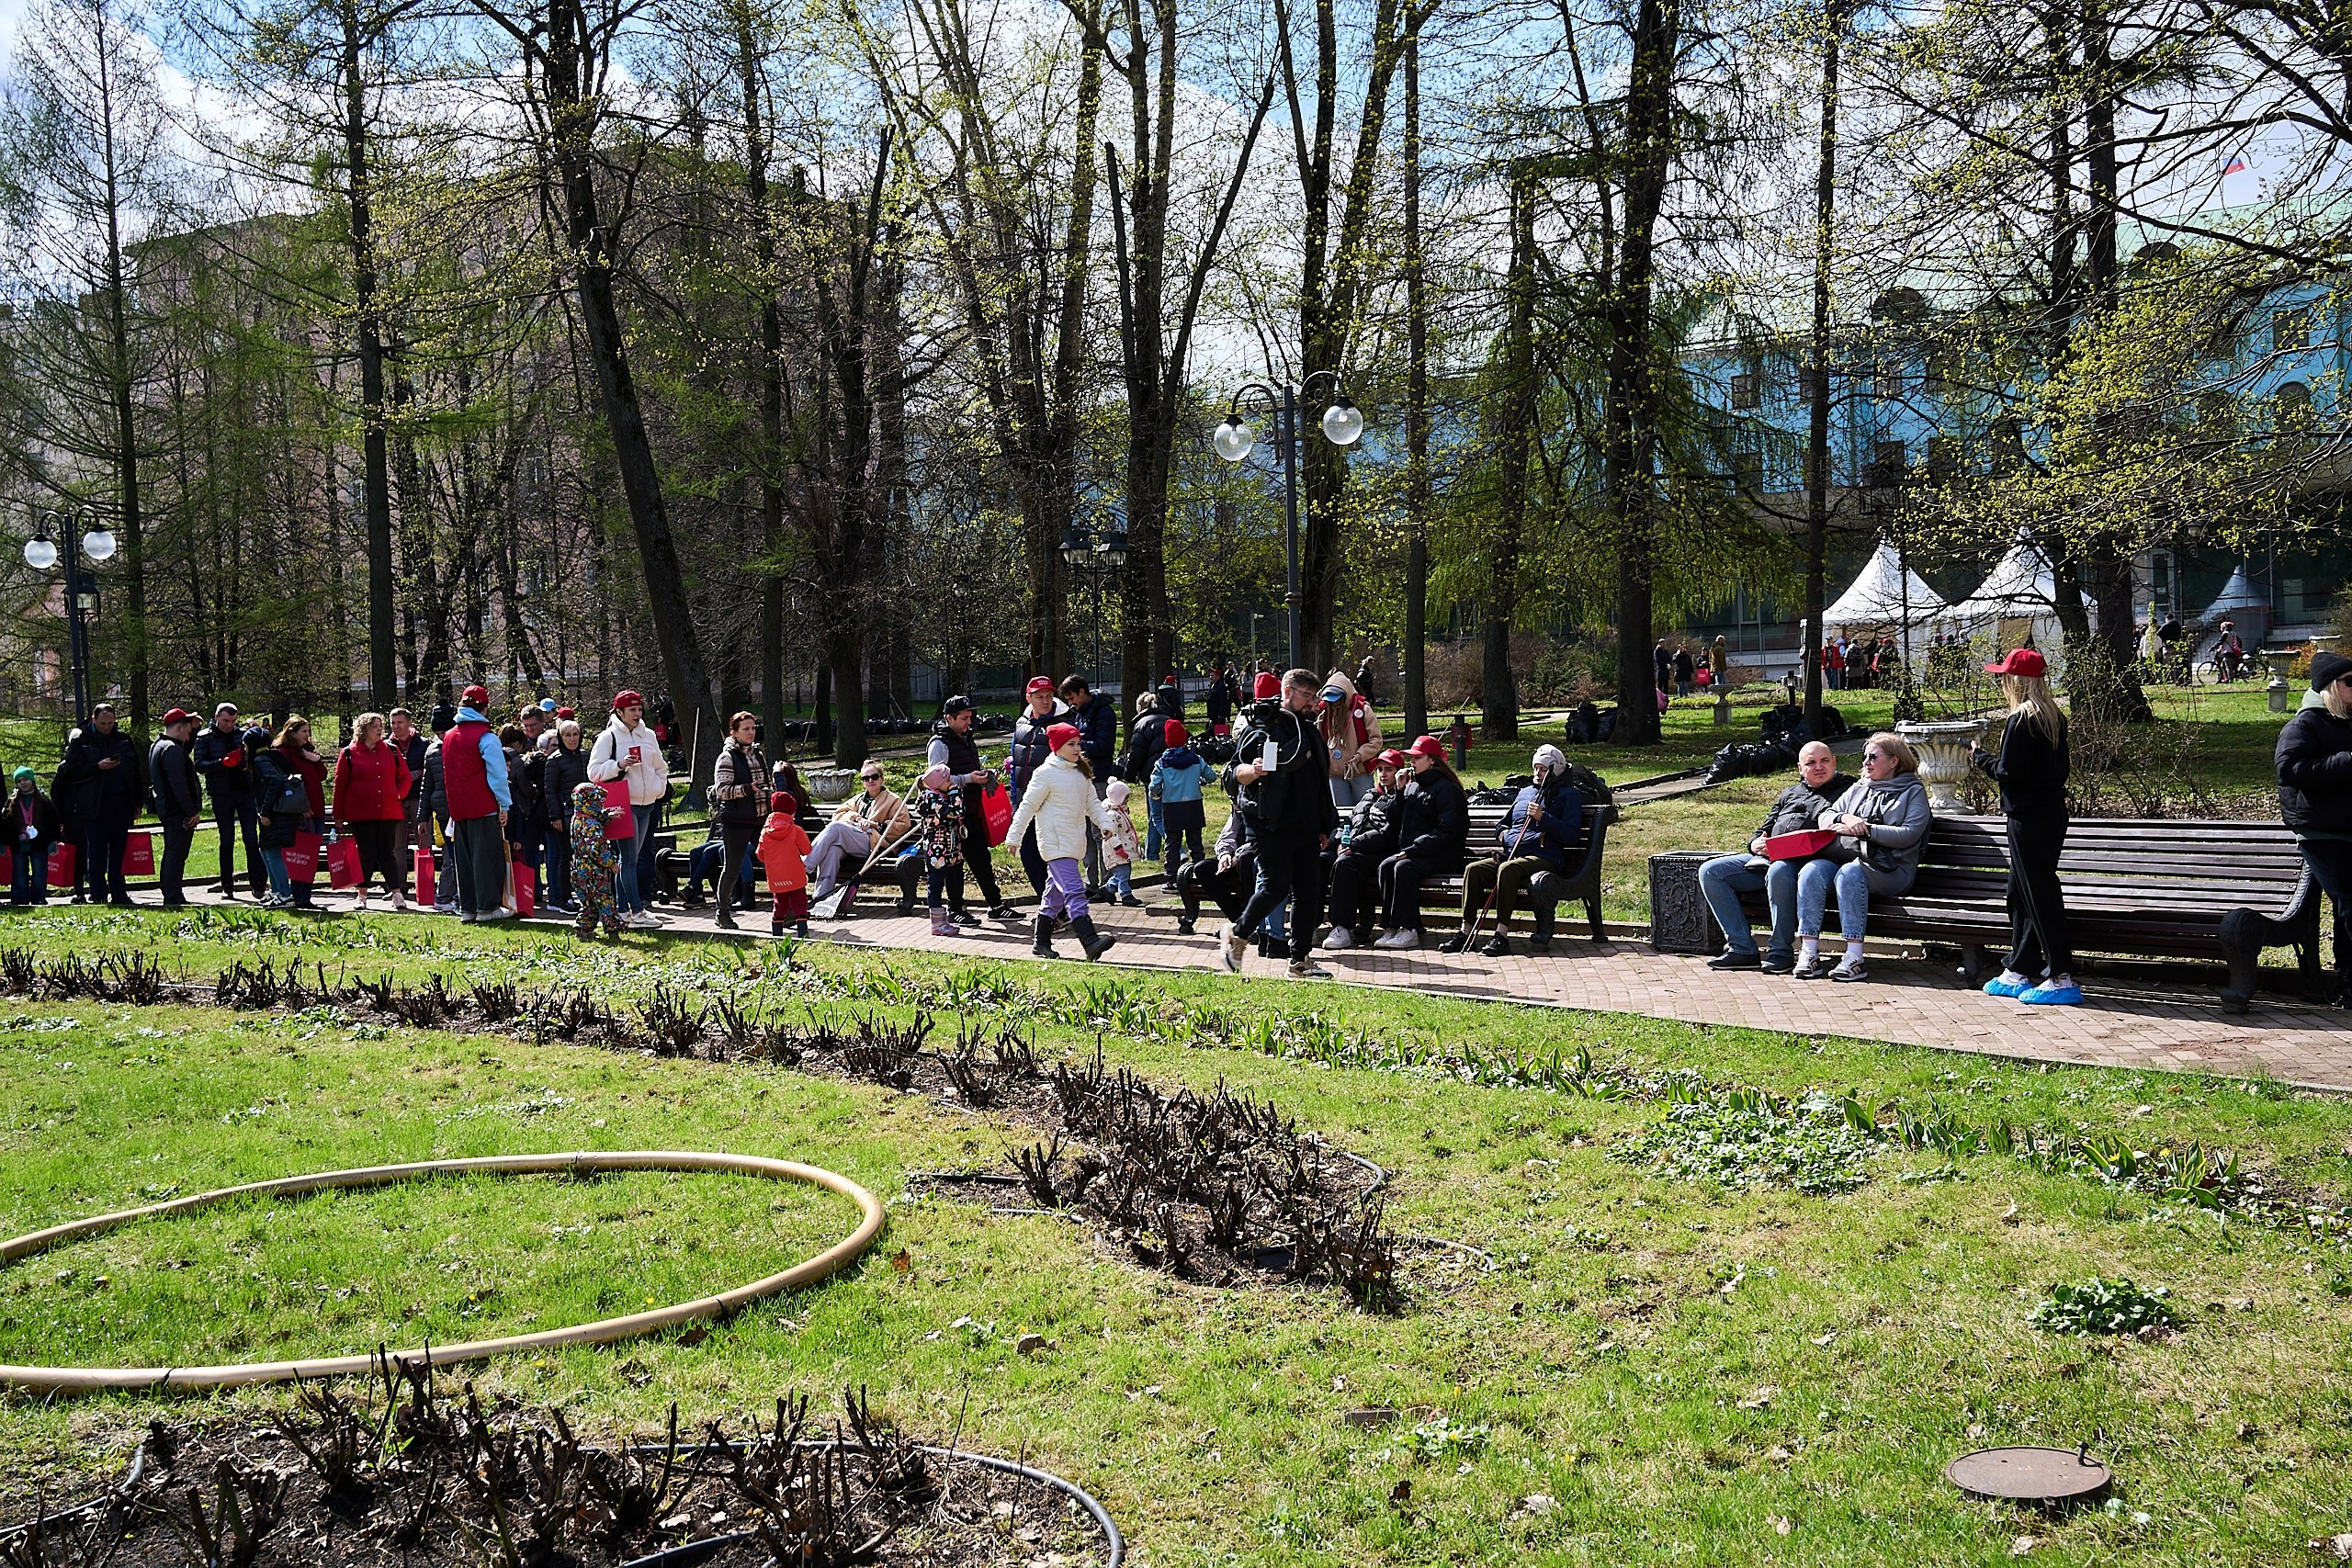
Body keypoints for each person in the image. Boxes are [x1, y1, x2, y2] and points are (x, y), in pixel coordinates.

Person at [1968, 649, 2078, 1003]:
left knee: (2039, 894)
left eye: (2004, 676)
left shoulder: (2021, 719)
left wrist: (1978, 757)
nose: (2002, 681)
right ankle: (2020, 965)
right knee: (2022, 893)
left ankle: (2060, 975)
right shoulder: (2052, 717)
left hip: (2028, 818)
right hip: (2048, 814)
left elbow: (2008, 773)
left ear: (2017, 680)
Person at [1218, 669, 1338, 980]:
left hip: (1306, 826)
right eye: (1308, 696)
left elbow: (1318, 782)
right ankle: (1237, 936)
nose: (1314, 703)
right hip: (1269, 824)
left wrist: (1325, 824)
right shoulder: (1263, 727)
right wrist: (1254, 771)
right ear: (1288, 691)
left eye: (1316, 697)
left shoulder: (1309, 731)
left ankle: (1299, 961)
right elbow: (1233, 774)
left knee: (1308, 893)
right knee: (1274, 887)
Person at [1697, 740, 1853, 974]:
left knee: (1779, 870)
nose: (1819, 767)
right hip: (1768, 859)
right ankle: (1742, 948)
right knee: (1710, 871)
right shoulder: (1790, 793)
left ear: (1834, 763)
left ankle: (1781, 951)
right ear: (1800, 768)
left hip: (1808, 865)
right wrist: (1755, 844)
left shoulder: (1848, 790)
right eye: (1811, 763)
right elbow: (1765, 827)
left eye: (1824, 761)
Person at [1793, 731, 1930, 981]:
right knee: (1812, 870)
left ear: (1893, 761)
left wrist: (1866, 830)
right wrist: (1846, 818)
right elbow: (1826, 815)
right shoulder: (1859, 787)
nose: (1866, 763)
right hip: (1852, 861)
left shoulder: (1912, 792)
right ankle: (1809, 952)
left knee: (1850, 873)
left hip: (1892, 869)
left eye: (1873, 757)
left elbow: (1909, 835)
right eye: (1864, 757)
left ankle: (1854, 958)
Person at [1441, 743, 1584, 957]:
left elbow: (1571, 834)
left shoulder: (1568, 795)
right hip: (1513, 854)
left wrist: (1544, 818)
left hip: (1545, 856)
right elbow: (1503, 824)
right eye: (1536, 768)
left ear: (1556, 770)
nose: (1537, 773)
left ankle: (1501, 935)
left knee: (1508, 869)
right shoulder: (1525, 792)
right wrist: (1503, 835)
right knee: (1474, 869)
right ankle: (1466, 932)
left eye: (1543, 769)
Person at [1002, 721, 1118, 960]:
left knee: (1053, 896)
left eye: (1078, 743)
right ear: (1057, 747)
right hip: (1055, 844)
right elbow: (1026, 807)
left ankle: (1040, 942)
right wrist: (1014, 837)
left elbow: (1093, 804)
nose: (1077, 749)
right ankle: (1090, 941)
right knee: (1074, 891)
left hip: (1073, 843)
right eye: (1071, 744)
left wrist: (1105, 824)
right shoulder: (1045, 774)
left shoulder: (1080, 773)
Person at [2276, 650, 2352, 1009]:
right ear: (2329, 689)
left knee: (2347, 909)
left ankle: (2346, 985)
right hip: (2321, 832)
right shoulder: (2304, 725)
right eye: (2350, 682)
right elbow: (2290, 770)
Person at [1365, 734, 1468, 952]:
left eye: (1417, 758)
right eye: (1411, 758)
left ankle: (1409, 928)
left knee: (1403, 867)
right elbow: (1394, 820)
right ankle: (1391, 927)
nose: (1412, 762)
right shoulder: (1412, 787)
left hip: (1442, 855)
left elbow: (1447, 832)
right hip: (1417, 852)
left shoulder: (1447, 790)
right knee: (1386, 865)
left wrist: (1412, 849)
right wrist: (1400, 793)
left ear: (1432, 760)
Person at [927, 696, 1015, 921]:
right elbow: (935, 781)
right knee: (955, 862)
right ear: (949, 719)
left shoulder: (966, 738)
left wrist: (984, 775)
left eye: (970, 717)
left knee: (981, 859)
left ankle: (996, 906)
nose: (969, 722)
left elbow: (967, 770)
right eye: (964, 718)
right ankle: (956, 909)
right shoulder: (939, 744)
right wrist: (969, 778)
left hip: (971, 811)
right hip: (950, 816)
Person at [587, 689, 667, 927]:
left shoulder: (649, 735)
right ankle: (637, 911)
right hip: (623, 804)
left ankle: (622, 911)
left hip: (647, 804)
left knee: (629, 859)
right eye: (632, 709)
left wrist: (658, 788)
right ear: (619, 712)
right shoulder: (608, 737)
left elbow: (660, 766)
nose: (637, 713)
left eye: (639, 709)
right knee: (629, 859)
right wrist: (619, 765)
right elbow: (594, 773)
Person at [441, 685, 514, 923]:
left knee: (465, 860)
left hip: (458, 808)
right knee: (487, 858)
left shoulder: (449, 736)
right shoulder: (486, 737)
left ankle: (468, 908)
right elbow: (497, 775)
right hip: (483, 806)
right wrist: (504, 804)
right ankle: (487, 907)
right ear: (484, 708)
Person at [1320, 749, 1405, 950]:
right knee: (1319, 861)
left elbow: (1389, 832)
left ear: (1399, 772)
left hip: (1378, 854)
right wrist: (1339, 840)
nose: (1383, 774)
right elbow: (1348, 822)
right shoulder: (1369, 795)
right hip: (1353, 849)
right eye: (1380, 770)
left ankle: (1342, 928)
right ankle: (1310, 924)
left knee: (1344, 865)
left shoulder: (1401, 798)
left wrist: (1352, 844)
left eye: (1389, 770)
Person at [59, 704, 139, 905]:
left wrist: (137, 803)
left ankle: (119, 892)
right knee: (97, 852)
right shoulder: (81, 741)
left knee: (118, 851)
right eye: (103, 723)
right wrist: (97, 767)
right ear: (94, 720)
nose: (107, 727)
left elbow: (135, 773)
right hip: (94, 805)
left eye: (111, 723)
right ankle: (98, 893)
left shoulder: (123, 740)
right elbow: (71, 773)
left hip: (120, 803)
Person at [334, 711, 415, 910]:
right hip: (360, 813)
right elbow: (340, 785)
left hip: (388, 811)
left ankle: (397, 894)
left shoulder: (392, 750)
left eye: (380, 726)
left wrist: (398, 795)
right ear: (363, 730)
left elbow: (405, 778)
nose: (380, 729)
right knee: (366, 853)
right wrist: (338, 816)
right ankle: (362, 894)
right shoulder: (349, 753)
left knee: (387, 853)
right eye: (374, 726)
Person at [806, 762, 911, 906]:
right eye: (866, 778)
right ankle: (821, 899)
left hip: (874, 844)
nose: (870, 781)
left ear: (882, 779)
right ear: (862, 783)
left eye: (874, 777)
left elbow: (903, 825)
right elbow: (838, 814)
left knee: (835, 828)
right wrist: (856, 818)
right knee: (832, 850)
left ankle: (804, 866)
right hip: (851, 841)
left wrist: (874, 824)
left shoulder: (894, 800)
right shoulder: (858, 799)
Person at [192, 702, 265, 899]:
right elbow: (199, 765)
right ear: (216, 718)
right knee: (227, 839)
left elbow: (259, 753)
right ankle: (227, 885)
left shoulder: (241, 735)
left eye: (233, 721)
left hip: (244, 791)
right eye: (225, 721)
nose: (229, 725)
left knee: (251, 837)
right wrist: (221, 763)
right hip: (221, 792)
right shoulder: (204, 737)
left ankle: (258, 883)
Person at [1006, 677, 1070, 892]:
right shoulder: (1021, 724)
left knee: (1052, 857)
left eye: (1049, 696)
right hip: (1026, 801)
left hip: (1053, 804)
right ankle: (1052, 906)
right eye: (1040, 697)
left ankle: (1057, 909)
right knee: (1028, 853)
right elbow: (1015, 763)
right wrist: (1015, 800)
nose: (1045, 701)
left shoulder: (1064, 724)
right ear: (1029, 698)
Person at [706, 711, 768, 930]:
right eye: (746, 729)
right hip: (736, 820)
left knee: (773, 862)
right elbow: (722, 791)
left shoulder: (758, 754)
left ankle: (785, 909)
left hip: (761, 818)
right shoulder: (727, 757)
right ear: (734, 732)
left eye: (753, 728)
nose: (751, 732)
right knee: (732, 867)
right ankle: (722, 912)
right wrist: (748, 789)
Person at [1060, 675, 1118, 890]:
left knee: (1099, 831)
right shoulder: (1077, 714)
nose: (1070, 703)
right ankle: (1091, 882)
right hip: (1079, 778)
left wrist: (1075, 744)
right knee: (1084, 832)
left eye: (1072, 697)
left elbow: (1104, 746)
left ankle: (1108, 881)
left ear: (1083, 692)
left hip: (1098, 778)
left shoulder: (1104, 713)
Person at [147, 707, 204, 908]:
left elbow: (184, 749)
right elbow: (178, 784)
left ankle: (172, 892)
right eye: (188, 731)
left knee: (173, 852)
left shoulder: (160, 745)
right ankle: (172, 895)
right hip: (177, 811)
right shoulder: (171, 750)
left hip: (168, 809)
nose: (190, 735)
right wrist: (191, 811)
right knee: (176, 853)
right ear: (180, 728)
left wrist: (195, 729)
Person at [908, 761, 968, 937]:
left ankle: (943, 921)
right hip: (937, 852)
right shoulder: (932, 801)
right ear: (937, 784)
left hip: (947, 850)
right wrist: (955, 790)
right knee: (935, 885)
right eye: (947, 779)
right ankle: (937, 924)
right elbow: (958, 811)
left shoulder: (938, 797)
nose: (951, 781)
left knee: (941, 883)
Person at [1176, 807, 1255, 937]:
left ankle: (1250, 922)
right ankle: (1239, 920)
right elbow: (1228, 834)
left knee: (1245, 860)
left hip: (1257, 855)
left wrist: (1238, 855)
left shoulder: (1263, 801)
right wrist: (1224, 855)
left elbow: (1262, 837)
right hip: (1235, 856)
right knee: (1202, 869)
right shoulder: (1238, 806)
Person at [565, 781, 628, 940]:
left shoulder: (577, 819)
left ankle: (582, 929)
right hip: (594, 871)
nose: (600, 805)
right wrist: (611, 862)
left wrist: (606, 815)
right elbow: (597, 848)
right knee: (605, 900)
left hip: (577, 868)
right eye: (598, 802)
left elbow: (593, 821)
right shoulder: (591, 824)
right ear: (590, 802)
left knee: (589, 902)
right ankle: (613, 931)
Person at [1148, 720, 1212, 875]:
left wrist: (1157, 793)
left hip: (1172, 806)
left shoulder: (1162, 763)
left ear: (1167, 741)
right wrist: (1200, 780)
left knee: (1172, 843)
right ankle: (1200, 873)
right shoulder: (1196, 759)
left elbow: (1154, 785)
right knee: (1195, 842)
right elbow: (1211, 776)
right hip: (1193, 805)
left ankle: (1171, 876)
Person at [1118, 687, 1174, 861]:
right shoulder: (1167, 720)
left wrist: (1128, 774)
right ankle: (1152, 852)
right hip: (1173, 772)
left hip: (1152, 775)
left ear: (1140, 708)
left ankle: (1155, 852)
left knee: (1154, 814)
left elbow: (1136, 753)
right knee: (1159, 814)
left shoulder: (1141, 724)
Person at [540, 718, 590, 913]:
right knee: (565, 856)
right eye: (567, 735)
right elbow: (549, 791)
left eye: (575, 734)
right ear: (561, 737)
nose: (572, 739)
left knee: (585, 857)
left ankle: (586, 895)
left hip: (587, 815)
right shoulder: (554, 759)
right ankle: (564, 898)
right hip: (565, 814)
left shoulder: (586, 755)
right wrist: (555, 817)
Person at [1318, 671, 1383, 808]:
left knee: (1365, 810)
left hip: (1359, 772)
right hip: (1335, 775)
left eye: (1337, 699)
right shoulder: (1324, 715)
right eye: (1330, 700)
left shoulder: (1363, 710)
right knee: (1341, 814)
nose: (1334, 704)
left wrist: (1360, 756)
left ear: (1346, 695)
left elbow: (1376, 740)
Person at [389, 708, 431, 903]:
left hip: (418, 799)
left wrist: (416, 773)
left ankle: (425, 884)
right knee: (397, 845)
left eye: (400, 722)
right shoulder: (386, 746)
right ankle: (399, 886)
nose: (396, 726)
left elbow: (430, 770)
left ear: (409, 723)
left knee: (424, 842)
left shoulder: (423, 744)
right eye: (393, 723)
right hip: (396, 800)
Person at [758, 789, 814, 938]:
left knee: (779, 904)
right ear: (791, 812)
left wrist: (774, 861)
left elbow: (760, 854)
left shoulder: (765, 832)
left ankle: (777, 934)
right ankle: (802, 933)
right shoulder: (796, 830)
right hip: (795, 875)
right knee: (800, 903)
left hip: (776, 876)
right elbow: (807, 850)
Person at [500, 725, 542, 912]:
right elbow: (524, 788)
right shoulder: (516, 760)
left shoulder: (499, 758)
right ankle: (527, 892)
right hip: (515, 818)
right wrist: (535, 793)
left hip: (508, 822)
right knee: (521, 857)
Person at [6, 767, 62, 906]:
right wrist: (3, 842)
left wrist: (53, 841)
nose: (23, 783)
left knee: (39, 872)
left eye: (25, 779)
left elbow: (53, 822)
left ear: (32, 780)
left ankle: (39, 897)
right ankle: (19, 898)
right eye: (19, 781)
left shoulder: (43, 801)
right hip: (18, 844)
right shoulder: (12, 802)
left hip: (39, 844)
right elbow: (5, 823)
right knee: (19, 872)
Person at [1101, 779, 1145, 906]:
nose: (1127, 800)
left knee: (1122, 875)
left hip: (1124, 848)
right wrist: (1118, 847)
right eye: (1125, 797)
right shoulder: (1111, 814)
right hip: (1116, 850)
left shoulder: (1120, 811)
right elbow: (1111, 833)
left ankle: (1108, 888)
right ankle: (1126, 895)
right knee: (1123, 875)